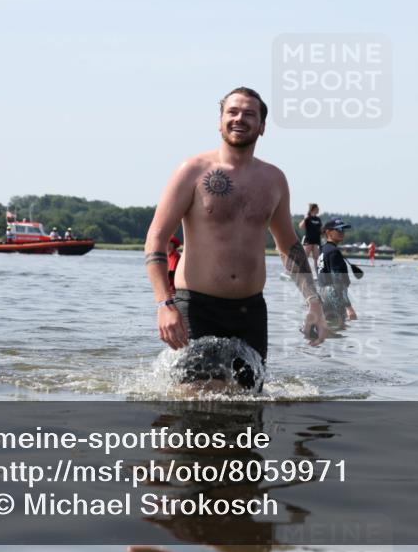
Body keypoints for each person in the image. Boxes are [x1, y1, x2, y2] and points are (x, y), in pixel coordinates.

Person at [144, 87, 328, 391]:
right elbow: (156, 239)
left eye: (249, 114)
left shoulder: (274, 180)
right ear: (220, 122)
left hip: (250, 312)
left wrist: (314, 304)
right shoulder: (191, 171)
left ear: (262, 126)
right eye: (232, 112)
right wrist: (164, 303)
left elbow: (289, 246)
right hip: (197, 307)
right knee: (195, 404)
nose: (239, 118)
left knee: (248, 407)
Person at [317, 219, 357, 323]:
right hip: (334, 298)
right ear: (328, 232)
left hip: (322, 296)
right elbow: (338, 282)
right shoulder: (334, 252)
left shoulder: (322, 250)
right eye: (338, 229)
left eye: (343, 230)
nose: (342, 232)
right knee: (338, 331)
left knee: (327, 329)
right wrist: (349, 307)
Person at [298, 203, 323, 274]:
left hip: (316, 241)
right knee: (305, 257)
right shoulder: (308, 218)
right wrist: (305, 219)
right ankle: (300, 272)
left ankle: (317, 274)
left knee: (316, 258)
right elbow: (301, 226)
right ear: (314, 209)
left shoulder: (318, 219)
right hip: (308, 240)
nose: (319, 210)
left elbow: (321, 230)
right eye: (317, 208)